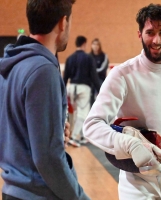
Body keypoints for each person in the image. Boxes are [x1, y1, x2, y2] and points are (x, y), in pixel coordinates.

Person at [83, 3, 161, 200]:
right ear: (139, 34)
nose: (156, 40)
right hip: (137, 182)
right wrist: (130, 144)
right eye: (150, 32)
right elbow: (92, 125)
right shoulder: (122, 74)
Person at [0, 0, 90, 199]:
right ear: (63, 23)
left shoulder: (12, 65)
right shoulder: (42, 70)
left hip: (14, 190)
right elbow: (48, 159)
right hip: (37, 193)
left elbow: (14, 129)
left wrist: (54, 130)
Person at [63, 36, 101, 147]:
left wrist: (62, 91)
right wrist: (101, 91)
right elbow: (94, 76)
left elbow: (65, 77)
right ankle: (74, 137)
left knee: (74, 113)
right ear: (84, 44)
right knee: (83, 114)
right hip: (84, 88)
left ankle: (83, 136)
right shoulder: (89, 58)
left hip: (71, 87)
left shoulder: (70, 58)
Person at [89, 38, 109, 106]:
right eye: (94, 44)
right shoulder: (88, 56)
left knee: (101, 95)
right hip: (91, 80)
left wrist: (93, 72)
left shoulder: (104, 56)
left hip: (100, 79)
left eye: (97, 44)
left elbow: (103, 68)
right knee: (90, 95)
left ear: (99, 46)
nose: (95, 46)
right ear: (91, 45)